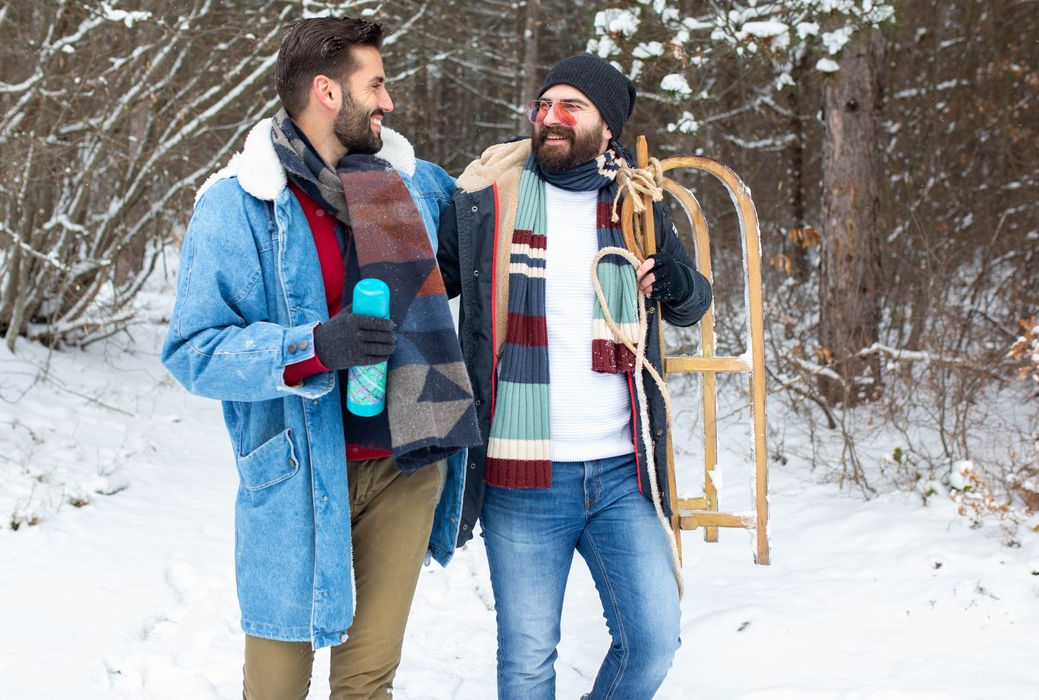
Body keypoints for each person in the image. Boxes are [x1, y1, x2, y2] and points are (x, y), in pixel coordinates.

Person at [161, 17, 478, 699]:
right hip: (297, 475)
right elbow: (192, 351)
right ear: (328, 93)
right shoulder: (240, 204)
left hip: (404, 464)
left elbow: (494, 228)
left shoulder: (412, 186)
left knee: (366, 685)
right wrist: (311, 347)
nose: (388, 102)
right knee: (275, 688)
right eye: (377, 84)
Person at [435, 54, 713, 698]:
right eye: (543, 105)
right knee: (529, 660)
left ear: (607, 128)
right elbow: (427, 284)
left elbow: (692, 303)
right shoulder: (489, 201)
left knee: (652, 642)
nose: (550, 118)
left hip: (621, 472)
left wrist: (673, 282)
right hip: (520, 472)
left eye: (571, 107)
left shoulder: (635, 205)